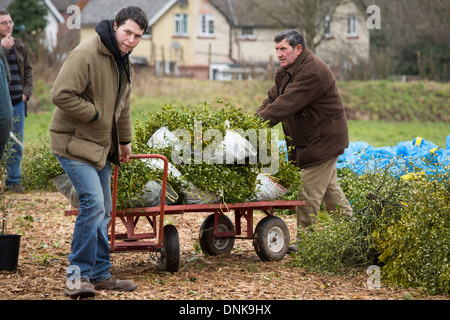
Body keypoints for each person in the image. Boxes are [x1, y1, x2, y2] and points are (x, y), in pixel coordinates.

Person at [49, 6, 148, 298]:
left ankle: (100, 274)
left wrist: (125, 141)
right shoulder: (86, 54)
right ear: (115, 25)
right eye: (127, 32)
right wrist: (95, 114)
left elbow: (124, 105)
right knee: (93, 204)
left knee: (104, 209)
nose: (131, 40)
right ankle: (76, 277)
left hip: (101, 147)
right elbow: (60, 94)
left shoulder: (123, 60)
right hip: (72, 142)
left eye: (138, 36)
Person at [256, 29, 353, 252]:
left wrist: (255, 126)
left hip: (323, 141)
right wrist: (251, 123)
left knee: (308, 192)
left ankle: (307, 243)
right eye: (277, 49)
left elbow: (285, 105)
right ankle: (353, 233)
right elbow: (272, 98)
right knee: (331, 192)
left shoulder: (312, 72)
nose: (279, 54)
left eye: (284, 49)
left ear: (298, 49)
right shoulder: (286, 70)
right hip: (310, 139)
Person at [0, 10, 33, 193]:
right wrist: (2, 48)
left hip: (17, 102)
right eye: (4, 22)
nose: (8, 25)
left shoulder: (19, 45)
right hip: (1, 104)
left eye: (10, 22)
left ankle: (14, 181)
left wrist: (26, 93)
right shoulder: (2, 47)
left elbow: (28, 70)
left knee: (16, 142)